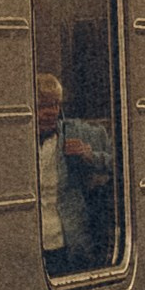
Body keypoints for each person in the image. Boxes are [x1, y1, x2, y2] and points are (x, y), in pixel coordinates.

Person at [35, 70, 115, 275]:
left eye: (55, 105)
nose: (50, 112)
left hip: (68, 240)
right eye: (43, 105)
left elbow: (122, 164)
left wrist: (90, 156)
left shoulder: (77, 132)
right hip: (32, 242)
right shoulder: (17, 143)